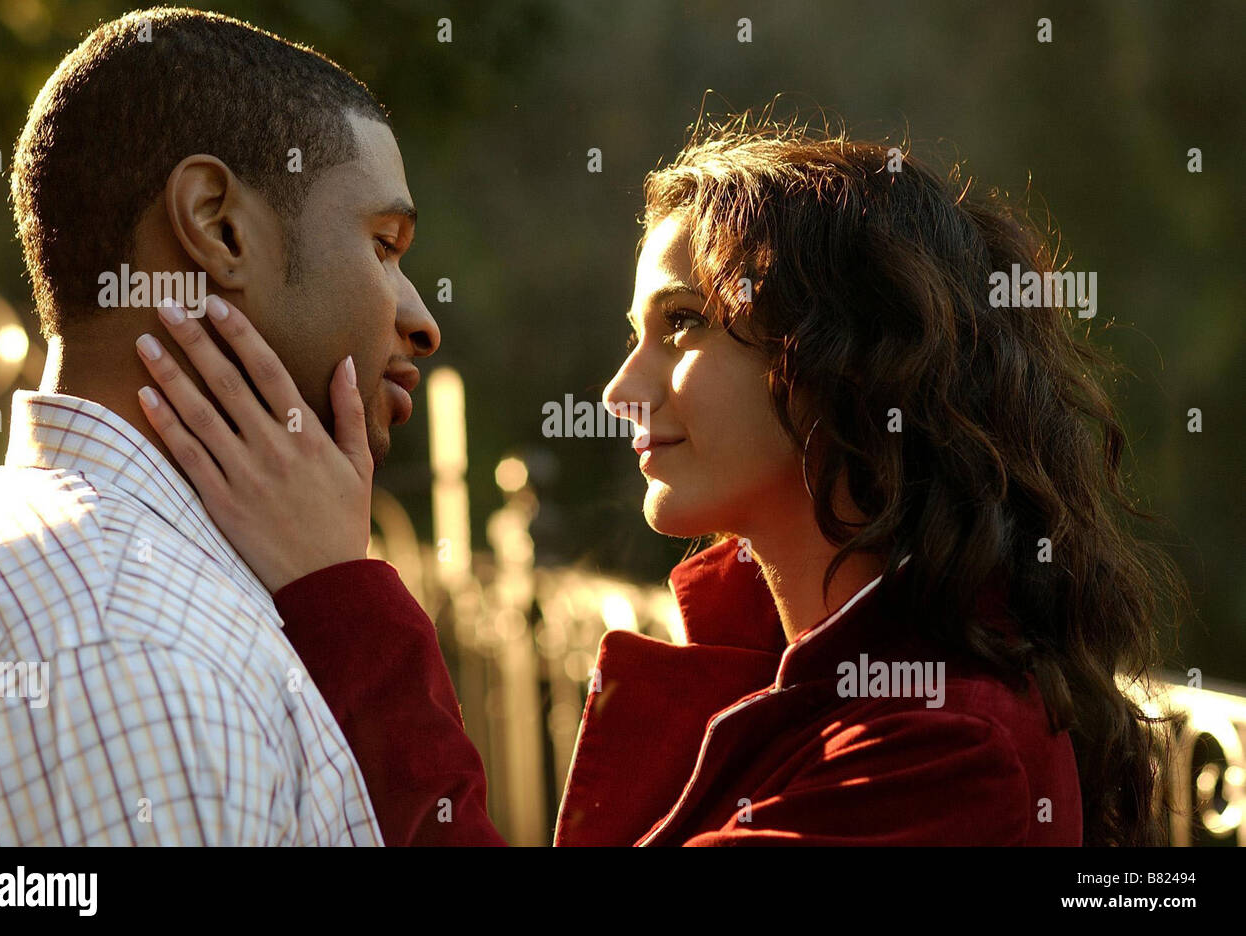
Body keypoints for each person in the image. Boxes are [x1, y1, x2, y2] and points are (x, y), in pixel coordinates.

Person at [148, 112, 1187, 847]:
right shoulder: (776, 665)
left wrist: (340, 596)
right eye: (634, 334)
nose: (617, 390)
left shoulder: (936, 752)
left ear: (844, 361)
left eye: (682, 326)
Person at [0, 8, 494, 845]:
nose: (423, 321)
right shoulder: (136, 649)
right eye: (384, 244)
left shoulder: (34, 564)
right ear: (217, 224)